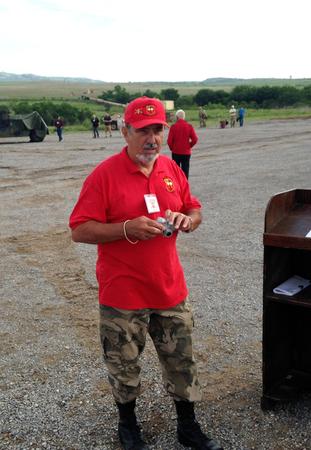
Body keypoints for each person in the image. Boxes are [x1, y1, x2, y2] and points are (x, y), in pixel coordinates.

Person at [69, 97, 222, 450]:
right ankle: (129, 427)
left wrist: (189, 221)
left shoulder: (170, 169)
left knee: (182, 361)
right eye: (143, 131)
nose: (152, 138)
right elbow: (79, 229)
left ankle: (187, 427)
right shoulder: (104, 175)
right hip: (123, 295)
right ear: (125, 132)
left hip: (169, 290)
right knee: (123, 366)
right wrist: (126, 228)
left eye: (158, 130)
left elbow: (193, 208)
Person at [167, 109, 198, 179]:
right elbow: (195, 139)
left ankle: (177, 186)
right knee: (185, 171)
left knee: (175, 172)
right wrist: (189, 146)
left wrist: (172, 148)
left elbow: (169, 141)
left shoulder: (173, 127)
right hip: (186, 152)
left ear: (176, 117)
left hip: (176, 152)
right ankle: (185, 187)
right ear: (184, 117)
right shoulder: (189, 126)